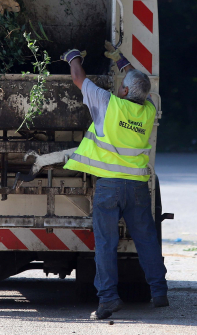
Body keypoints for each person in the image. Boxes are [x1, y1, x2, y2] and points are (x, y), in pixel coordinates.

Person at [61, 44, 168, 320]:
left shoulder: (107, 103)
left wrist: (72, 56)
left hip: (109, 187)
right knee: (146, 239)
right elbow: (139, 84)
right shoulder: (148, 110)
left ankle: (108, 299)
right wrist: (121, 61)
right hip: (136, 188)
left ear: (123, 91)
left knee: (106, 243)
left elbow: (77, 78)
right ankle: (159, 292)